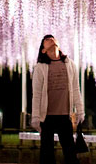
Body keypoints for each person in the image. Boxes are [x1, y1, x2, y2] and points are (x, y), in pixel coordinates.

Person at [31, 35, 84, 164]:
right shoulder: (40, 67)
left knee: (70, 152)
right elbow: (36, 94)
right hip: (47, 116)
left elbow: (76, 89)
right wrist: (35, 117)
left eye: (52, 38)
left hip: (64, 115)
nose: (51, 39)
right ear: (43, 50)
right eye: (47, 40)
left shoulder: (69, 64)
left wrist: (80, 110)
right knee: (47, 154)